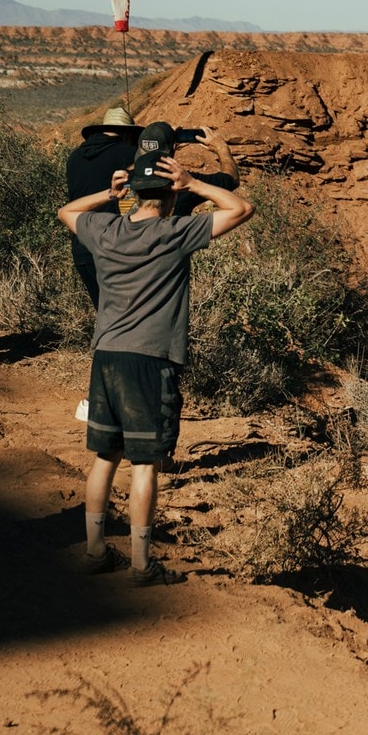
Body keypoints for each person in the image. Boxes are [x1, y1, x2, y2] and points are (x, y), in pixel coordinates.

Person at [59, 149, 252, 585]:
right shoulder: (175, 232)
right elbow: (242, 208)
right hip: (149, 361)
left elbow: (66, 211)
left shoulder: (105, 229)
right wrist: (195, 183)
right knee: (145, 464)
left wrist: (108, 195)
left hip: (106, 356)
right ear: (169, 194)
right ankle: (141, 565)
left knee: (105, 458)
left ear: (134, 192)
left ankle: (95, 551)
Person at [66, 107, 142, 306]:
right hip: (113, 248)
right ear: (128, 133)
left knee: (106, 314)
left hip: (82, 248)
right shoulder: (129, 154)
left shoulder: (74, 158)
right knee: (129, 314)